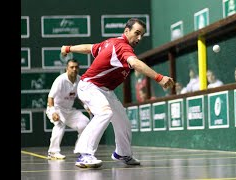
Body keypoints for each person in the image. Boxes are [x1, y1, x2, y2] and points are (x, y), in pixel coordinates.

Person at [60, 18, 175, 168]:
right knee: (104, 113)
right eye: (137, 33)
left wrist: (69, 48)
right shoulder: (122, 47)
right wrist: (159, 78)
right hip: (90, 86)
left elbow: (90, 48)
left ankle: (122, 153)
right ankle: (84, 154)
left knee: (123, 121)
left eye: (142, 35)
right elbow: (134, 63)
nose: (139, 38)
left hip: (105, 90)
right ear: (127, 31)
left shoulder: (111, 43)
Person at [46, 59, 90, 160]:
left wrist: (87, 107)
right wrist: (53, 112)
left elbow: (80, 97)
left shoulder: (79, 80)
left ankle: (80, 149)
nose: (74, 69)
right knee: (59, 124)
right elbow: (50, 97)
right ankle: (53, 152)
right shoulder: (60, 80)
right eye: (71, 67)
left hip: (68, 110)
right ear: (67, 68)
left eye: (76, 67)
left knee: (85, 122)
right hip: (55, 108)